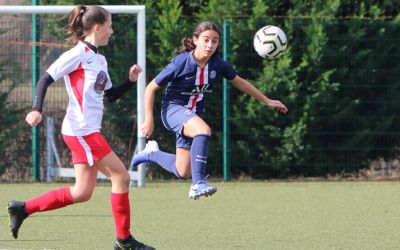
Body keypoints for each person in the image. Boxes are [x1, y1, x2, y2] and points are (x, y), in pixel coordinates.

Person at [7, 5, 155, 250]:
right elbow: (45, 78)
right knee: (122, 177)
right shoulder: (77, 54)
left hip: (84, 131)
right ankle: (124, 240)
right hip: (82, 130)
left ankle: (23, 208)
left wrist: (129, 81)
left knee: (82, 192)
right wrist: (36, 109)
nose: (111, 30)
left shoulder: (99, 59)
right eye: (109, 26)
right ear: (98, 27)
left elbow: (109, 95)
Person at [132, 21, 288, 200]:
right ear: (195, 40)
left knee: (182, 170)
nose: (210, 45)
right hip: (173, 110)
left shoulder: (217, 64)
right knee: (203, 130)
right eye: (206, 40)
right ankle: (197, 185)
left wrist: (267, 100)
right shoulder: (181, 62)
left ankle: (152, 154)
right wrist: (149, 119)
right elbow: (151, 87)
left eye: (214, 41)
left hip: (192, 115)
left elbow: (239, 81)